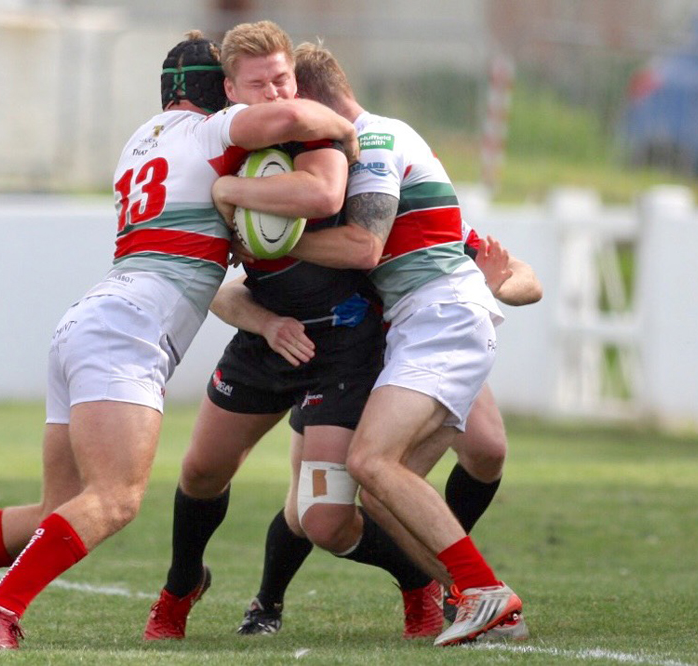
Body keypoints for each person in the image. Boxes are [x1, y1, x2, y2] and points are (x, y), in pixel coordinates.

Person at [0, 30, 358, 650]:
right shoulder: (212, 130)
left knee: (58, 510)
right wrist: (344, 129)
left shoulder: (139, 141)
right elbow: (289, 119)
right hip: (128, 330)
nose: (265, 96)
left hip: (89, 320)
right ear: (220, 90)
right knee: (116, 499)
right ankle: (0, 607)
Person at [143, 20, 442, 643]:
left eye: (283, 79)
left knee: (326, 519)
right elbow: (212, 285)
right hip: (270, 339)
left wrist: (231, 189)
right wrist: (267, 321)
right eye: (260, 85)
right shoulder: (219, 147)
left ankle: (418, 582)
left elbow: (323, 194)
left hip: (344, 345)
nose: (277, 93)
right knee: (200, 472)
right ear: (231, 90)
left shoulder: (314, 136)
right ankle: (180, 586)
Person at [281, 41, 523, 647]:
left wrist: (269, 242)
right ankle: (477, 599)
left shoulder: (374, 142)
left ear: (314, 104)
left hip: (440, 318)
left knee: (371, 462)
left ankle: (482, 591)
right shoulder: (370, 145)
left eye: (292, 118)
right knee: (384, 493)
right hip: (430, 322)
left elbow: (364, 247)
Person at [231, 227, 541, 639]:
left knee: (487, 450)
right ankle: (269, 600)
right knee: (313, 514)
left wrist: (492, 286)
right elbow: (230, 291)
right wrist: (269, 322)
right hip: (348, 365)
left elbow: (527, 280)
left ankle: (455, 581)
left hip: (422, 347)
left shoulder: (421, 222)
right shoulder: (336, 228)